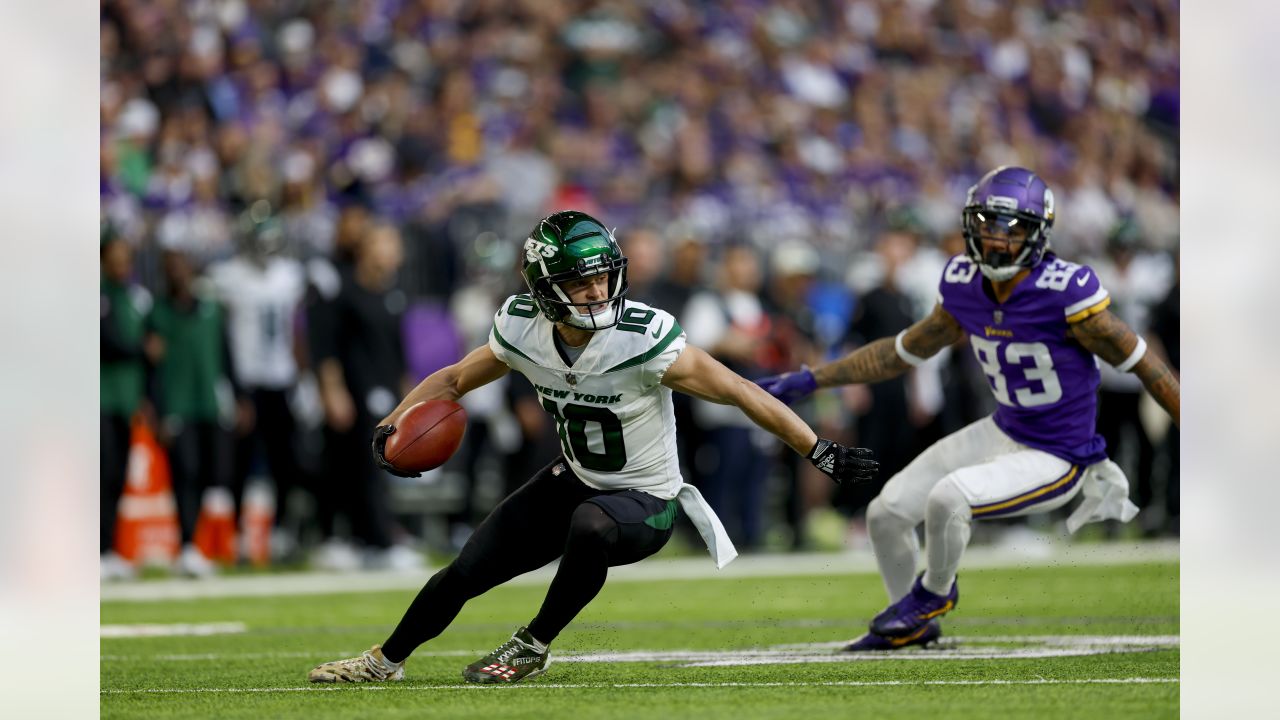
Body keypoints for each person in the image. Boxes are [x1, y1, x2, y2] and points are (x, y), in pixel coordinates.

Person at [306, 210, 878, 684]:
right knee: (467, 570)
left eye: (603, 276)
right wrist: (392, 422)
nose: (597, 290)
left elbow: (738, 390)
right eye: (580, 281)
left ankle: (533, 643)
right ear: (544, 288)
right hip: (577, 477)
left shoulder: (643, 337)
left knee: (590, 524)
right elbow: (454, 379)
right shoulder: (522, 327)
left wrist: (817, 449)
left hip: (647, 499)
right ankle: (384, 662)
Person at [758, 166, 1180, 651]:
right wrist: (812, 378)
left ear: (1038, 232)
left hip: (1059, 453)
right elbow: (899, 352)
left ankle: (933, 594)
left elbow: (1150, 367)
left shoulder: (1065, 292)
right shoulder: (962, 281)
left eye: (1012, 227)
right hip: (1003, 428)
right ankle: (914, 627)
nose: (997, 239)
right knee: (886, 513)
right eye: (987, 224)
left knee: (948, 496)